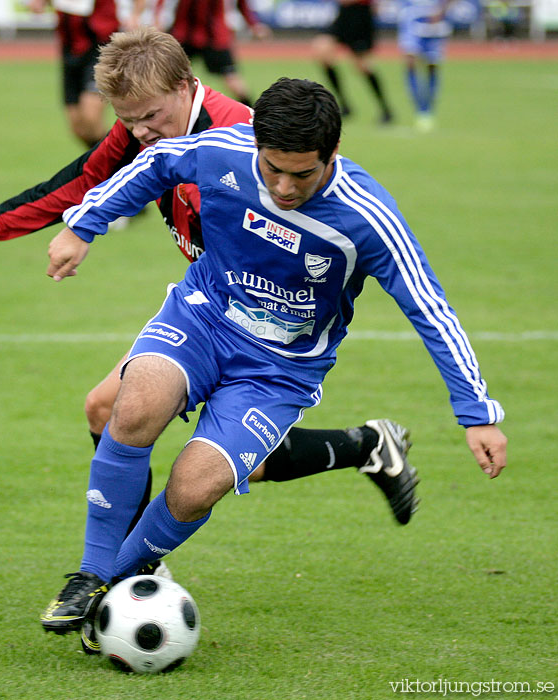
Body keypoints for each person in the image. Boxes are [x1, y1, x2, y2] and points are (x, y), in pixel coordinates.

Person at [42, 78, 507, 650]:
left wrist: (476, 411)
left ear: (331, 154)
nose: (284, 187)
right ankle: (90, 575)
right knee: (133, 405)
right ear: (256, 145)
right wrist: (83, 226)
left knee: (193, 489)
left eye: (302, 174)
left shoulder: (369, 219)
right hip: (203, 318)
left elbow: (430, 310)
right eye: (273, 169)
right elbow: (158, 161)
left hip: (278, 370)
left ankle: (120, 578)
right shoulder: (226, 152)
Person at [0, 27, 418, 542]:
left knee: (204, 457)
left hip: (265, 326)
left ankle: (130, 575)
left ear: (184, 87)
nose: (137, 133)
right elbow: (85, 178)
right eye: (127, 120)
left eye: (149, 117)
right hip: (212, 307)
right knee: (116, 413)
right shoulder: (147, 127)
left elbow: (314, 216)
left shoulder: (240, 138)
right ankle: (366, 446)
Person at [28, 0, 121, 147]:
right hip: (70, 48)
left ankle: (121, 162)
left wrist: (136, 13)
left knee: (91, 117)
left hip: (100, 47)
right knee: (79, 128)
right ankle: (108, 162)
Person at [149, 0, 272, 106]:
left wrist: (254, 24)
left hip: (213, 37)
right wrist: (157, 20)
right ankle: (155, 108)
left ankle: (252, 114)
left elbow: (242, 4)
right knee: (167, 76)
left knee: (232, 80)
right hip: (186, 35)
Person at [313, 0, 393, 123]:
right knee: (323, 52)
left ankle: (385, 109)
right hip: (344, 15)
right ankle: (344, 104)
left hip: (360, 17)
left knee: (363, 66)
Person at [397, 0, 451, 132]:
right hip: (410, 16)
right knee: (410, 62)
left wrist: (443, 8)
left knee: (432, 65)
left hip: (433, 17)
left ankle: (428, 110)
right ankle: (420, 110)